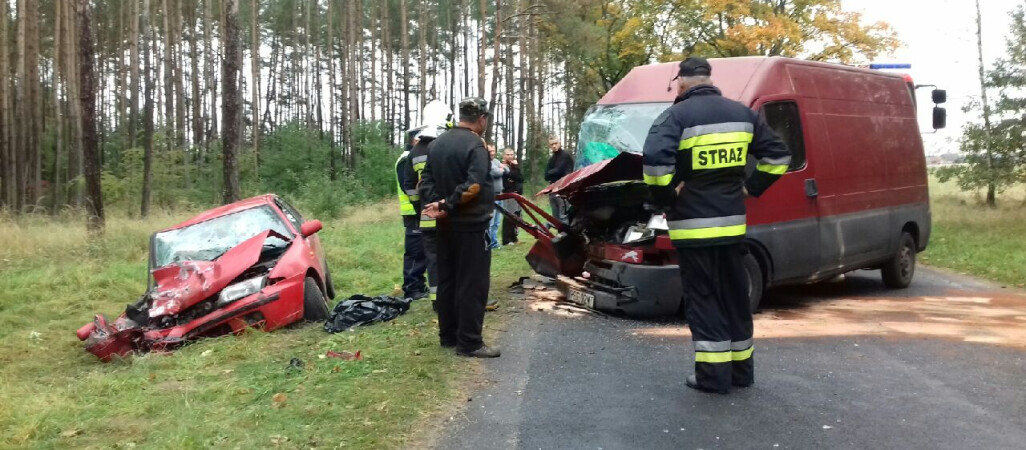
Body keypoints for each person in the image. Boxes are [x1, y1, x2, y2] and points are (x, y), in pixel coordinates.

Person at [642, 58, 790, 394]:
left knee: (704, 298)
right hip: (732, 227)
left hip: (694, 229)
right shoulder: (742, 114)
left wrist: (666, 195)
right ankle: (741, 372)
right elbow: (779, 156)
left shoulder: (675, 117)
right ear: (710, 79)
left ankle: (713, 377)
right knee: (735, 297)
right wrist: (750, 187)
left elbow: (654, 166)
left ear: (680, 83)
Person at [419, 97, 501, 358]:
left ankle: (448, 335)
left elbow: (425, 180)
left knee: (448, 280)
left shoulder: (438, 143)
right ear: (482, 119)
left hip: (445, 226)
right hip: (471, 226)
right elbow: (474, 185)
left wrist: (437, 205)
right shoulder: (476, 145)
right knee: (472, 284)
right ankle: (470, 343)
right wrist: (447, 204)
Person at [409, 101, 453, 308]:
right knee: (453, 257)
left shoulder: (415, 151)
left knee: (434, 260)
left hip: (426, 215)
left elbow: (410, 186)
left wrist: (421, 207)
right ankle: (454, 297)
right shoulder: (446, 145)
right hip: (448, 214)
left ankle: (437, 301)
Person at [395, 131, 428, 301]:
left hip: (419, 210)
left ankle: (419, 284)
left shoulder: (414, 157)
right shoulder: (406, 159)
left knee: (422, 250)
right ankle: (412, 288)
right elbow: (408, 186)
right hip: (413, 212)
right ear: (416, 140)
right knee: (415, 251)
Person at [544, 137, 574, 223]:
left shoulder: (565, 155)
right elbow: (546, 176)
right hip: (553, 190)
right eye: (551, 144)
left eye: (555, 143)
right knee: (556, 218)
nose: (554, 146)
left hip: (563, 190)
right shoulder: (552, 158)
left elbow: (559, 170)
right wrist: (553, 172)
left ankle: (567, 235)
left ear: (559, 143)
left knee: (564, 216)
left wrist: (552, 172)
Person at [486, 144, 508, 251]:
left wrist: (502, 168)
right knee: (490, 222)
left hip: (500, 195)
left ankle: (494, 243)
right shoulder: (486, 162)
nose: (492, 153)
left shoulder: (496, 162)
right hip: (491, 196)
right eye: (489, 151)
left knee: (496, 222)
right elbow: (496, 173)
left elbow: (507, 170)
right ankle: (489, 243)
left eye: (493, 150)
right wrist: (501, 169)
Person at [500, 148, 524, 246]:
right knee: (509, 216)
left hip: (517, 193)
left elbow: (520, 178)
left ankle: (514, 237)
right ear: (504, 156)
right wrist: (513, 176)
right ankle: (506, 239)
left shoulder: (514, 166)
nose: (510, 156)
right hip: (508, 194)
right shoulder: (503, 166)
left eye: (511, 154)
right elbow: (509, 176)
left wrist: (516, 168)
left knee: (516, 216)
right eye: (508, 154)